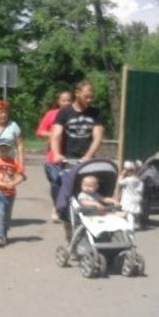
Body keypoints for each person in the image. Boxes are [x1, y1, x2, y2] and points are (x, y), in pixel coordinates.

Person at [36, 91, 73, 222]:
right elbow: (40, 131)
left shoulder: (75, 115)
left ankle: (67, 209)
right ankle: (56, 207)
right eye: (64, 100)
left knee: (69, 183)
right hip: (54, 155)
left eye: (69, 100)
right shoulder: (51, 114)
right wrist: (52, 134)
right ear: (58, 102)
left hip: (71, 154)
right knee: (56, 183)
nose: (66, 103)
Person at [50, 80, 105, 165]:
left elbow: (97, 138)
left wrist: (88, 156)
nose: (89, 100)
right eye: (86, 97)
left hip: (87, 160)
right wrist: (56, 154)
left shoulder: (96, 113)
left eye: (91, 97)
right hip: (67, 159)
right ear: (77, 93)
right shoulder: (64, 112)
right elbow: (56, 136)